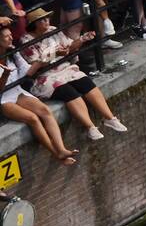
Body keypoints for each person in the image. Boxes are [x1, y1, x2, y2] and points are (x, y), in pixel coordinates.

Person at [21, 7, 127, 141]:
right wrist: (55, 53)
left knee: (85, 82)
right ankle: (90, 127)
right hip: (45, 76)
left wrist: (82, 39)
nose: (47, 21)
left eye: (47, 18)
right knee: (69, 92)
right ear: (34, 24)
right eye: (42, 20)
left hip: (64, 69)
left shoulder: (53, 30)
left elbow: (70, 47)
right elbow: (36, 64)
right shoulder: (26, 41)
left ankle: (110, 118)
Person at [0, 27, 79, 165]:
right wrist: (5, 75)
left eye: (11, 34)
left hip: (17, 91)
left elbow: (28, 72)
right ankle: (56, 154)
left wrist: (47, 57)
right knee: (33, 118)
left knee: (45, 111)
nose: (11, 38)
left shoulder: (13, 53)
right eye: (7, 36)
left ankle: (61, 148)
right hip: (4, 99)